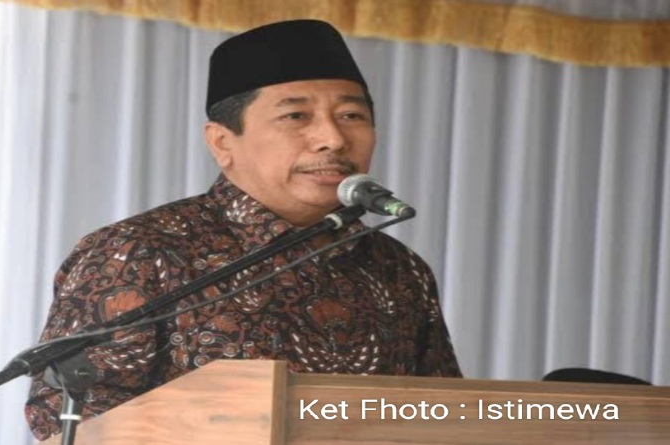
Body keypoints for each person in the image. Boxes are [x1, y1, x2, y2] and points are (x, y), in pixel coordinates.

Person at [25, 19, 462, 440]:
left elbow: (445, 415)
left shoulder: (399, 268)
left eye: (351, 115)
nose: (332, 138)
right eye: (296, 116)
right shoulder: (139, 250)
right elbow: (68, 420)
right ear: (221, 142)